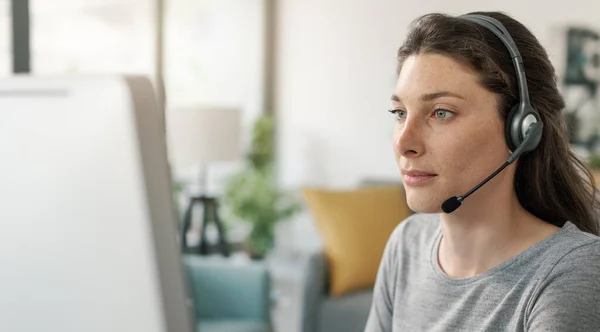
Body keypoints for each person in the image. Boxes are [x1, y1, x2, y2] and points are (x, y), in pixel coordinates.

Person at [365, 11, 600, 332]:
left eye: (441, 112)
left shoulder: (572, 270)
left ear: (521, 130)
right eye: (400, 112)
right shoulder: (406, 244)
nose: (404, 143)